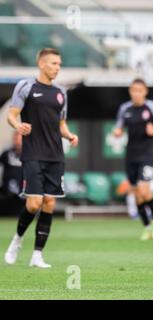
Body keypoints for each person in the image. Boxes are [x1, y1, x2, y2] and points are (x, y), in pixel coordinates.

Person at [4, 48, 79, 268]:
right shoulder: (25, 87)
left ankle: (37, 254)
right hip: (33, 153)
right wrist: (18, 125)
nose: (57, 67)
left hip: (56, 155)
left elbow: (61, 124)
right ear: (42, 64)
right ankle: (17, 240)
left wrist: (70, 135)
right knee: (34, 202)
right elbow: (12, 114)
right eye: (54, 63)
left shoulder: (61, 92)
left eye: (59, 64)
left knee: (49, 203)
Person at [114, 78, 153, 240]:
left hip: (146, 155)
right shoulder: (125, 109)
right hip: (131, 155)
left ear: (145, 91)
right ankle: (146, 227)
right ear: (130, 91)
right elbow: (119, 126)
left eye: (140, 90)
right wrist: (117, 132)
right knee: (137, 194)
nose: (136, 93)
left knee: (145, 191)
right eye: (133, 90)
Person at [0, 132, 25, 216]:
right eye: (16, 138)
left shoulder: (28, 154)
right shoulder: (7, 153)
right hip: (7, 191)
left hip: (23, 191)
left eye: (20, 139)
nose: (17, 141)